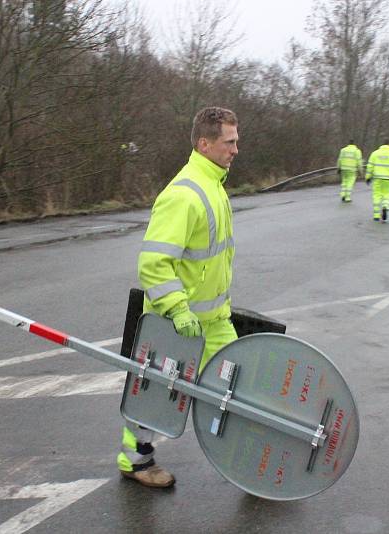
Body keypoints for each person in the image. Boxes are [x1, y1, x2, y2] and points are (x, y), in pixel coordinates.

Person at [118, 107, 240, 487]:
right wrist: (177, 309)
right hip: (177, 323)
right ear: (205, 143)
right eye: (229, 141)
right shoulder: (185, 194)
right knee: (156, 395)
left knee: (241, 384)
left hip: (214, 320)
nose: (236, 149)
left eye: (236, 140)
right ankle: (136, 461)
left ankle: (250, 462)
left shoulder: (214, 186)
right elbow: (154, 262)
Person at [365, 139, 389, 221]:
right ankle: (385, 207)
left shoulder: (375, 153)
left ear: (382, 144)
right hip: (388, 179)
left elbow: (370, 166)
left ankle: (376, 215)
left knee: (376, 195)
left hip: (377, 178)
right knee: (387, 195)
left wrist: (368, 177)